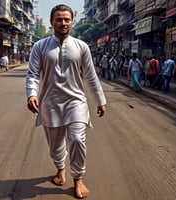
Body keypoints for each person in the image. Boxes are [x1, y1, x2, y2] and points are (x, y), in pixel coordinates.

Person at [26, 4, 106, 199]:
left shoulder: (82, 46)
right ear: (52, 21)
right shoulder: (40, 46)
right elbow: (33, 74)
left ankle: (78, 178)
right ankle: (60, 167)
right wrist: (31, 94)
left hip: (75, 101)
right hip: (50, 102)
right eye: (59, 19)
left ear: (72, 22)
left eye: (67, 19)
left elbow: (91, 76)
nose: (63, 23)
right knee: (55, 145)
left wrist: (100, 100)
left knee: (78, 140)